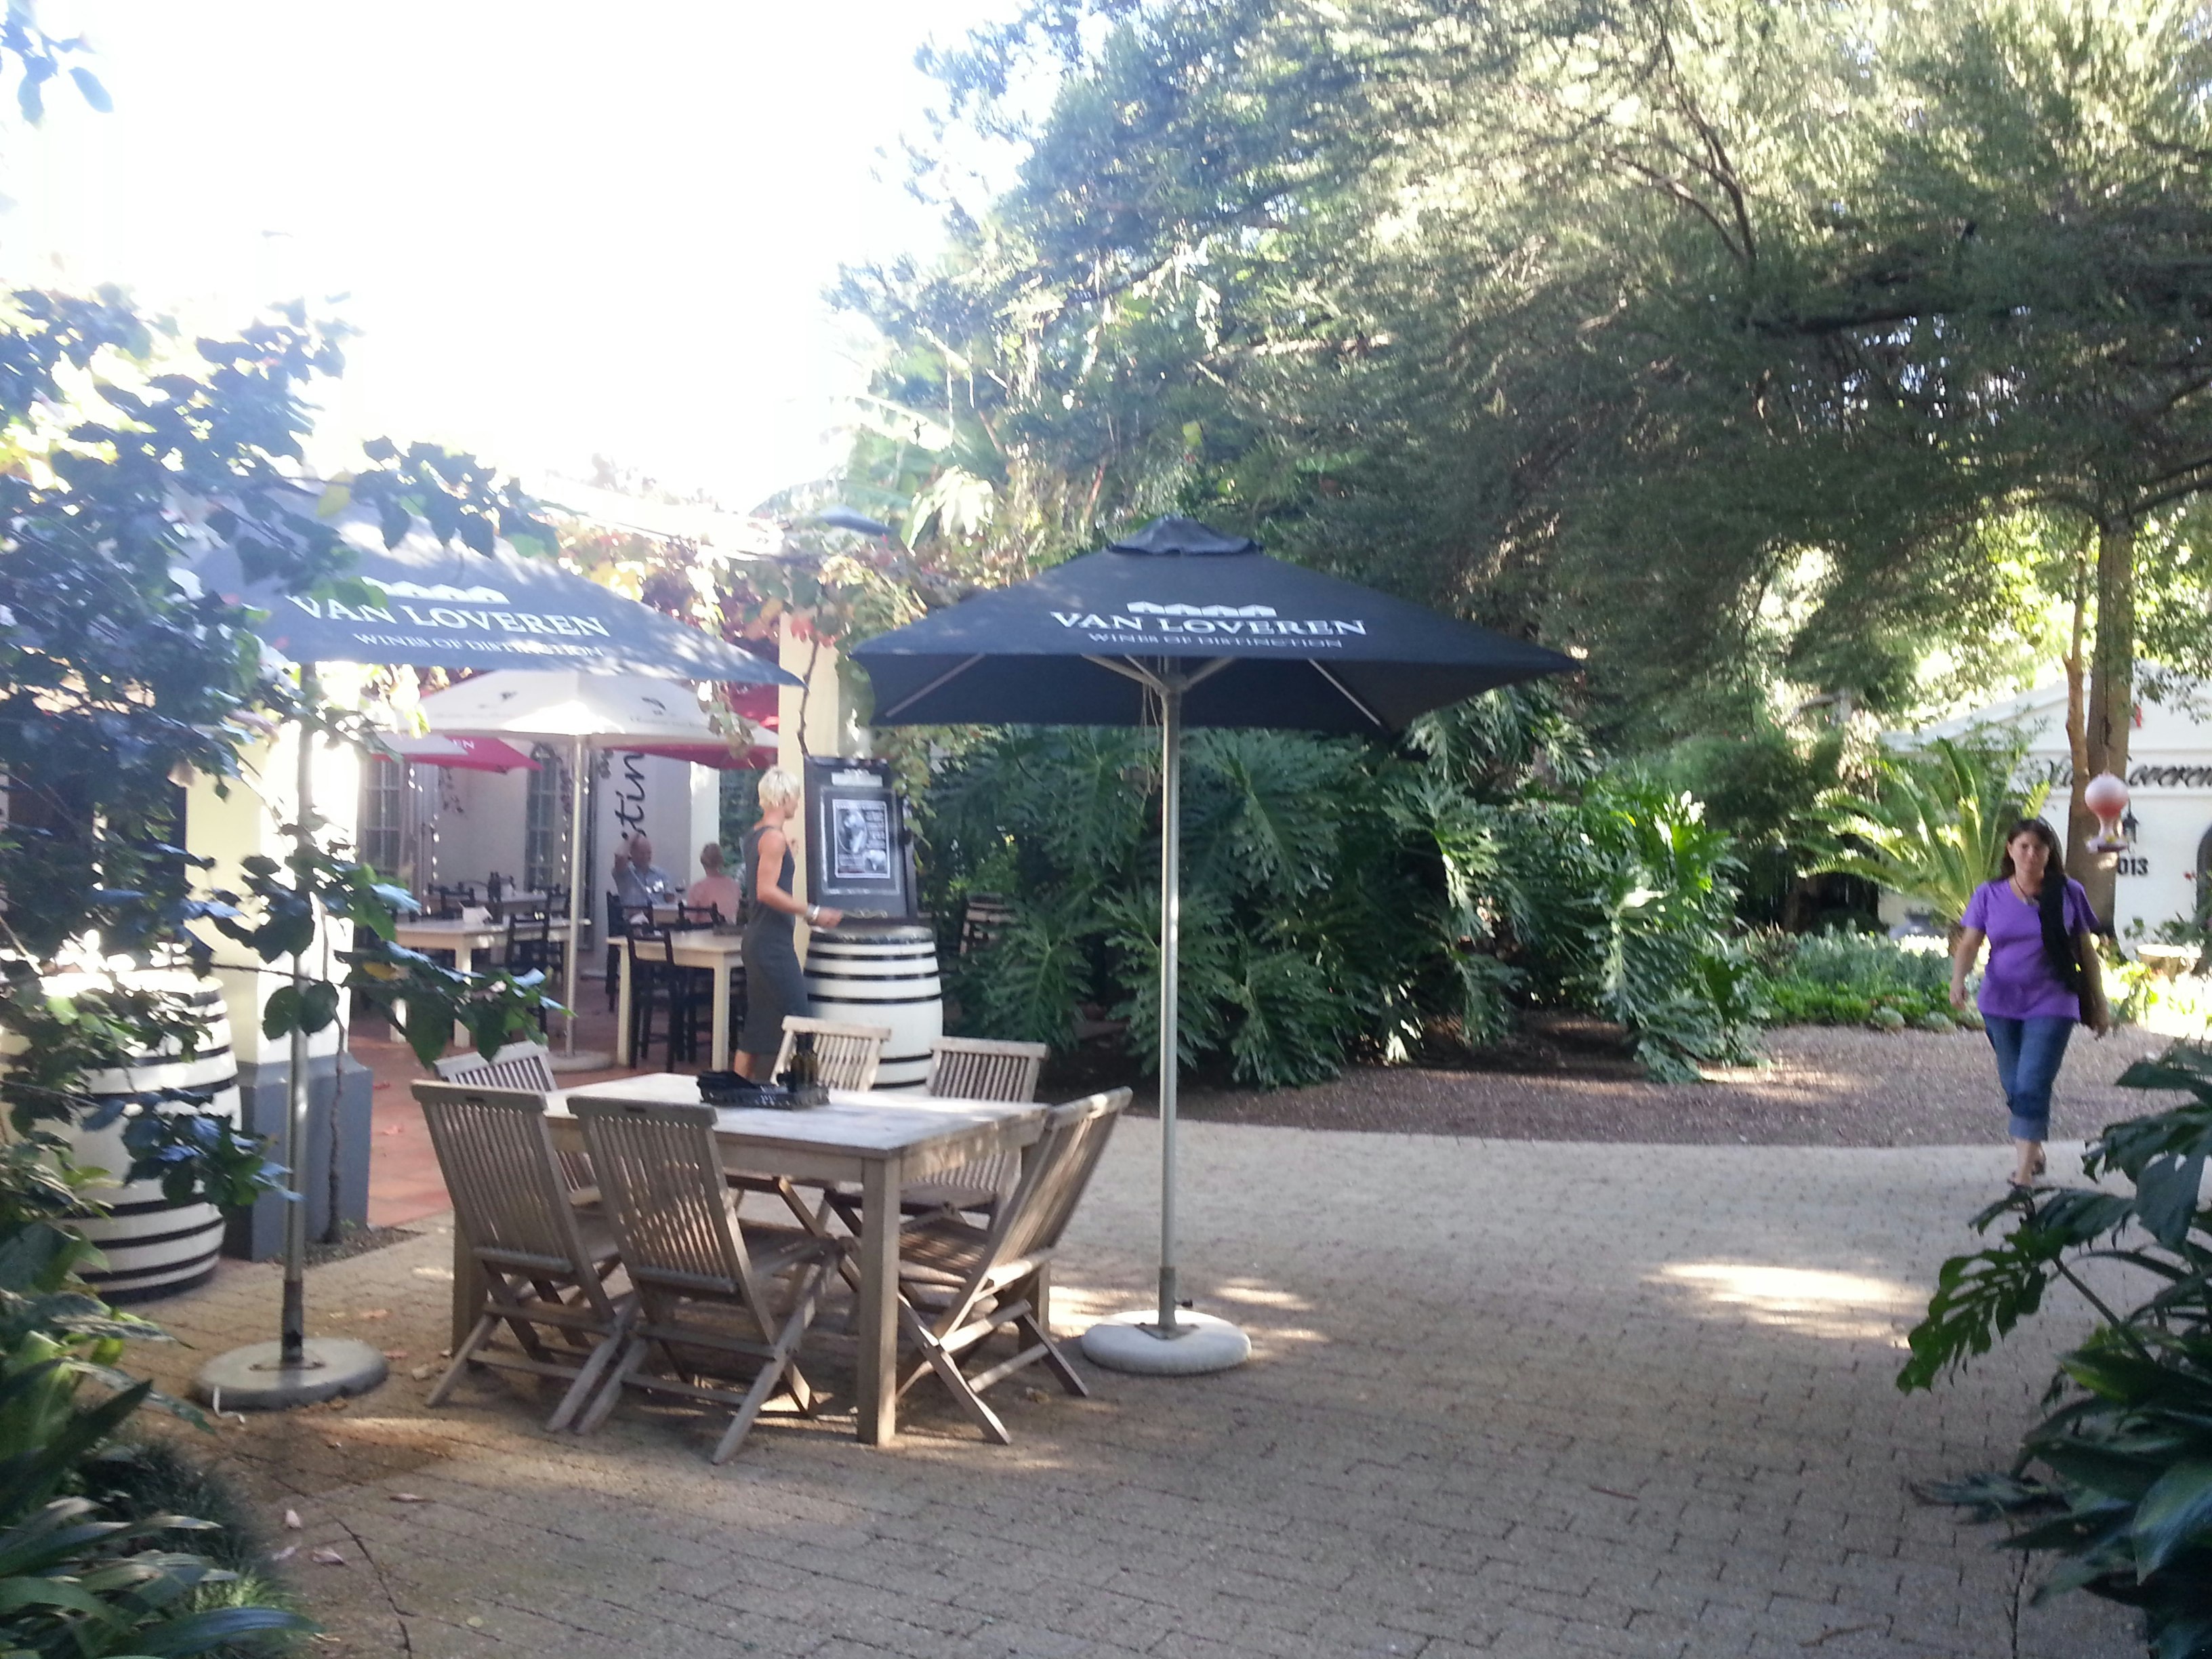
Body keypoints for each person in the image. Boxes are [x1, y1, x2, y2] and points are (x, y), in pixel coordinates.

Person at [1950, 819, 2112, 1189]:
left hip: (2053, 1001)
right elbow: (1970, 943)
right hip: (2000, 1002)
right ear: (2010, 850)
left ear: (2049, 852)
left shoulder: (2068, 892)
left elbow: (2086, 952)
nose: (2031, 854)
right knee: (2013, 1084)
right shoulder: (1989, 894)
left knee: (2032, 1082)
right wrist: (1958, 981)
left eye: (2039, 847)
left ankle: (2023, 1174)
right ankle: (2033, 1148)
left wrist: (2099, 1004)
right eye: (2023, 846)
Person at [735, 769, 842, 1078]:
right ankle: (801, 1089)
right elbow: (766, 891)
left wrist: (788, 856)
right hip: (771, 945)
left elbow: (766, 872)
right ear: (783, 798)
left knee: (758, 1026)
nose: (797, 802)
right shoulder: (774, 838)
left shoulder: (756, 835)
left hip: (760, 940)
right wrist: (813, 913)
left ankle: (735, 1091)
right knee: (800, 1021)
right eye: (795, 796)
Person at [687, 841, 745, 922]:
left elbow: (690, 919)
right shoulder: (734, 886)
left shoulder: (697, 889)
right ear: (721, 861)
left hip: (705, 929)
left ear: (703, 863)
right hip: (730, 929)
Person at [611, 832, 671, 908]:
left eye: (649, 853)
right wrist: (632, 837)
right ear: (631, 853)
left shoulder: (660, 874)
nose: (646, 857)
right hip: (635, 914)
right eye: (642, 853)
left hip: (659, 914)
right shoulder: (624, 873)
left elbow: (671, 901)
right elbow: (620, 856)